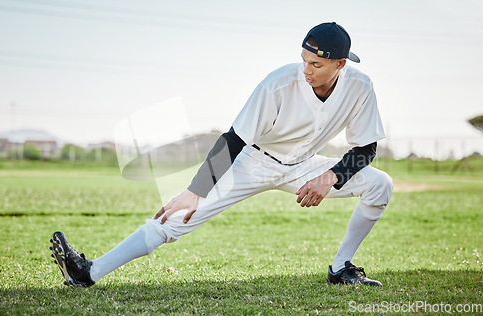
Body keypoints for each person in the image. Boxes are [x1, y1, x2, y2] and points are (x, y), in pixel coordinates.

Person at [50, 22, 393, 288]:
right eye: (304, 60)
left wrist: (330, 177)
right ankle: (88, 272)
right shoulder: (278, 83)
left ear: (340, 64)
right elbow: (233, 140)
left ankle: (340, 268)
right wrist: (194, 190)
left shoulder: (360, 87)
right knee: (177, 218)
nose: (306, 69)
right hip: (252, 162)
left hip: (304, 166)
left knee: (380, 186)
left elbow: (366, 147)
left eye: (316, 64)